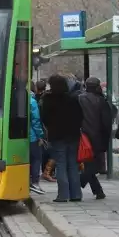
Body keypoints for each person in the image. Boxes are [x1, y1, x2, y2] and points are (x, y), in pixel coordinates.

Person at [41, 74, 83, 202]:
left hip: (57, 136)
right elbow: (80, 117)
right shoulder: (72, 99)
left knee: (61, 164)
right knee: (73, 165)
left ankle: (63, 194)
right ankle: (76, 194)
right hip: (73, 136)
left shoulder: (48, 100)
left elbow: (44, 118)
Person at [78, 77, 112, 200]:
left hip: (84, 136)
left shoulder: (80, 98)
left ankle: (98, 191)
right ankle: (80, 182)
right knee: (93, 166)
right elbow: (106, 122)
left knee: (89, 165)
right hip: (97, 137)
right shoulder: (101, 100)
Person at [29, 82, 46, 194]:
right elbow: (35, 121)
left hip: (19, 136)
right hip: (32, 136)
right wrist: (40, 135)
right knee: (36, 159)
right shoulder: (32, 101)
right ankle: (35, 182)